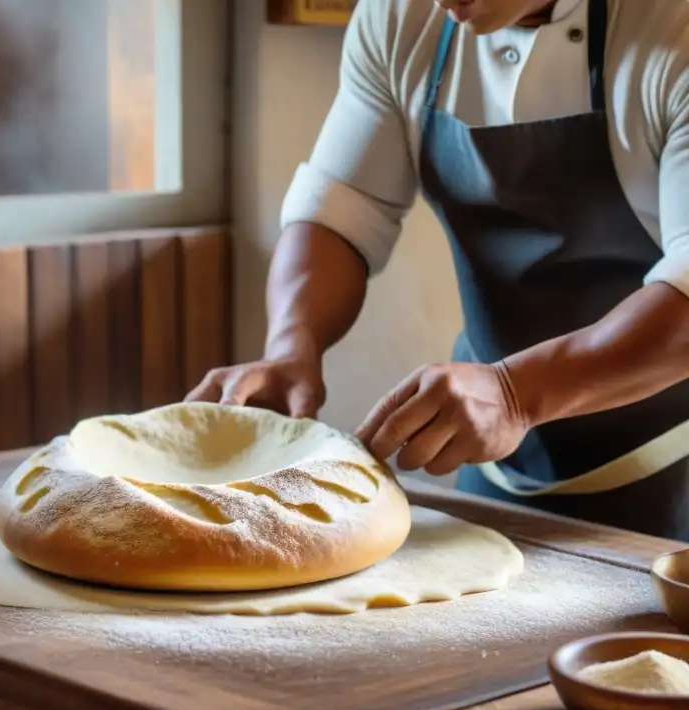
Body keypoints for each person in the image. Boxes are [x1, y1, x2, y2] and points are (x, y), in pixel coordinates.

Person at [187, 0, 689, 539]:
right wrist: (291, 347)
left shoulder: (673, 28)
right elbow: (341, 209)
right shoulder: (401, 17)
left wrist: (516, 395)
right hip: (495, 473)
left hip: (672, 474)